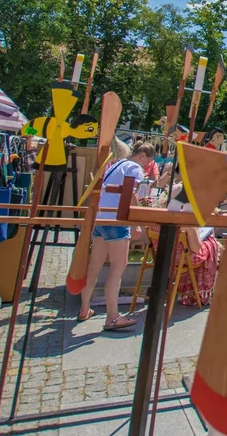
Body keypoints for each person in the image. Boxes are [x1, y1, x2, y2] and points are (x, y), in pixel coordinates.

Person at [78, 140, 155, 331]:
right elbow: (131, 195)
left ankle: (84, 309)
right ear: (143, 155)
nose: (146, 167)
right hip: (116, 220)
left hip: (101, 217)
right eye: (147, 162)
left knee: (94, 266)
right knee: (118, 267)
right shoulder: (134, 168)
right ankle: (112, 316)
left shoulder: (117, 164)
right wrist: (136, 223)